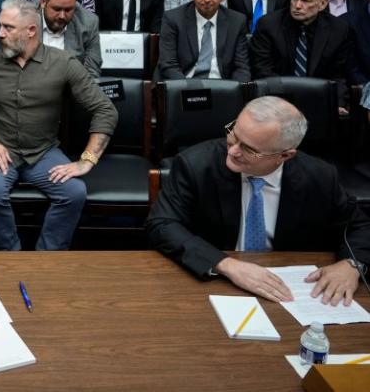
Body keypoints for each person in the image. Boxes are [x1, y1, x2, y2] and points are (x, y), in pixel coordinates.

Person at [146, 97, 369, 306]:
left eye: (249, 149)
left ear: (285, 155)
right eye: (233, 134)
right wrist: (225, 264)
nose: (233, 151)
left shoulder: (319, 177)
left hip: (292, 290)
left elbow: (360, 227)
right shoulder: (196, 165)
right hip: (216, 284)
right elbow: (163, 225)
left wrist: (352, 265)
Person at [0, 0, 117, 251]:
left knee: (73, 193)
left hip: (42, 152)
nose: (0, 34)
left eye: (8, 27)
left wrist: (87, 159)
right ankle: (10, 258)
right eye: (0, 26)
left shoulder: (63, 63)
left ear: (31, 30)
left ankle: (47, 258)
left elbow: (104, 109)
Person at [250, 0, 351, 112]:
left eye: (305, 1)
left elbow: (337, 75)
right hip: (277, 99)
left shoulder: (338, 29)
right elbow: (263, 70)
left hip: (318, 99)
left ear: (322, 4)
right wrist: (291, 102)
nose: (297, 5)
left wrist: (338, 103)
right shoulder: (268, 25)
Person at [156, 0, 251, 81]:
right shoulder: (173, 18)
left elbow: (241, 67)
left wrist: (233, 90)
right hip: (184, 83)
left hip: (222, 85)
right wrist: (187, 90)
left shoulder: (236, 21)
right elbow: (168, 64)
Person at [40, 0, 102, 78]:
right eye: (56, 9)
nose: (62, 16)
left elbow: (91, 72)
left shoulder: (88, 22)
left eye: (68, 10)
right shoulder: (24, 18)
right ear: (43, 2)